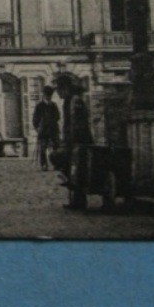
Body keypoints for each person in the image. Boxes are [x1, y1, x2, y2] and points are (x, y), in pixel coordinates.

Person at [54, 75, 95, 210]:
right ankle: (76, 199)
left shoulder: (75, 101)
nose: (58, 93)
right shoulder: (68, 101)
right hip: (72, 141)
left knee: (77, 169)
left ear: (66, 89)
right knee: (72, 169)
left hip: (80, 141)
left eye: (59, 90)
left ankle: (79, 200)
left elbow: (77, 123)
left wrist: (71, 142)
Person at [32, 86, 61, 171]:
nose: (49, 97)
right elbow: (35, 118)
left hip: (53, 129)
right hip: (43, 130)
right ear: (44, 95)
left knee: (56, 147)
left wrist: (52, 121)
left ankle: (57, 164)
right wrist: (37, 128)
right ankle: (44, 164)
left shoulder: (53, 105)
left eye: (50, 95)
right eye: (47, 95)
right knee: (43, 148)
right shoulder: (39, 106)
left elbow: (58, 116)